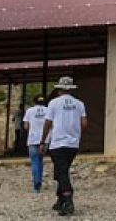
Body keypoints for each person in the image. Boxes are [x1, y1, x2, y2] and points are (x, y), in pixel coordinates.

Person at [42, 76, 89, 216]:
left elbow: (48, 123)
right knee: (62, 170)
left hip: (58, 143)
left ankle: (68, 199)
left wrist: (43, 140)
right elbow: (85, 123)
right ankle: (60, 199)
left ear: (59, 89)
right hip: (73, 143)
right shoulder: (79, 104)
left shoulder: (54, 103)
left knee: (61, 172)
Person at [22, 95, 51, 193]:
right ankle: (39, 181)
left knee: (34, 161)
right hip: (44, 139)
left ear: (34, 102)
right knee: (40, 160)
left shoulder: (29, 111)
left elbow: (26, 126)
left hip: (33, 139)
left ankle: (36, 184)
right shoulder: (48, 110)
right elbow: (51, 124)